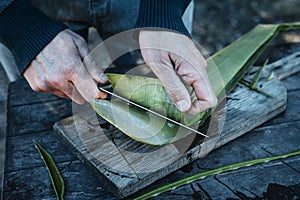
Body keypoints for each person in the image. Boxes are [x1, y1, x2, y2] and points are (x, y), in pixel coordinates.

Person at [0, 0, 217, 115]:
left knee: (164, 93)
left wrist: (163, 11)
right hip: (25, 5)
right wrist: (21, 27)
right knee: (44, 112)